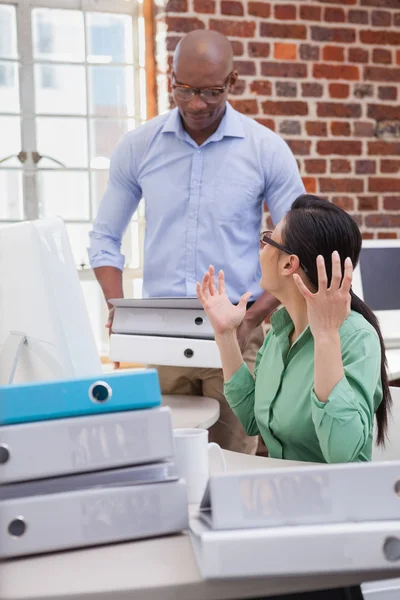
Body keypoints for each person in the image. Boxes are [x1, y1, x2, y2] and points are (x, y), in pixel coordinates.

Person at [88, 29, 305, 454]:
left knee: (233, 463)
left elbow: (299, 243)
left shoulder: (265, 150)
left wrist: (253, 318)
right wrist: (117, 307)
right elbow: (104, 238)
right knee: (166, 460)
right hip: (162, 334)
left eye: (210, 92)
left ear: (233, 81)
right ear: (170, 77)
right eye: (183, 89)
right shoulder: (139, 147)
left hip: (238, 332)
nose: (195, 104)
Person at [197, 194, 392, 463]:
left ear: (289, 263)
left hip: (337, 498)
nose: (260, 250)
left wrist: (326, 338)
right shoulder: (280, 333)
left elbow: (342, 455)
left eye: (267, 240)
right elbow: (254, 419)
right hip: (284, 491)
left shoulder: (357, 338)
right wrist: (226, 334)